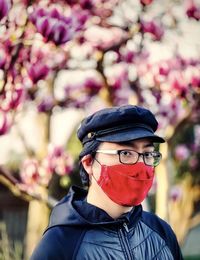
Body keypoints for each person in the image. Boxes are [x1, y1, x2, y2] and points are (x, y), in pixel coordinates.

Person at [31, 105, 183, 260]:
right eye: (125, 153)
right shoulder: (60, 245)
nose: (141, 165)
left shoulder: (161, 232)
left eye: (148, 154)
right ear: (89, 162)